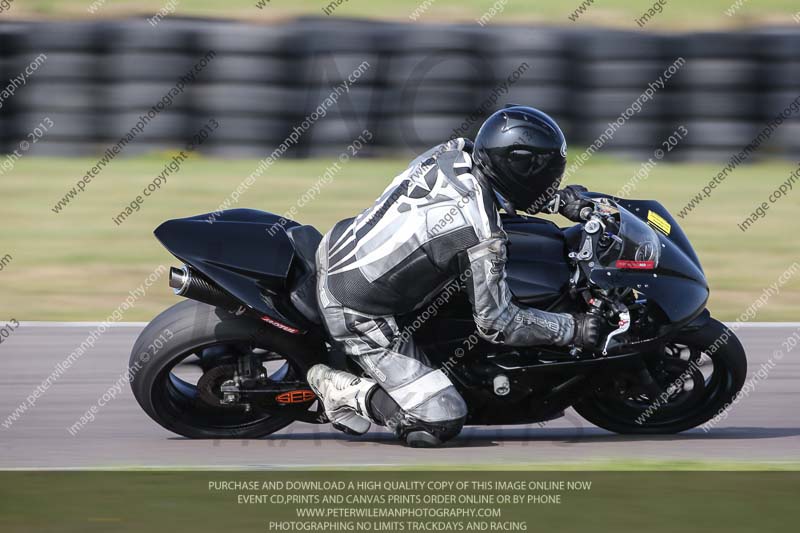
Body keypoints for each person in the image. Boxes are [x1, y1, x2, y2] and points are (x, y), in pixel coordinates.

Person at [307, 105, 602, 447]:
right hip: (355, 309)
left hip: (341, 244)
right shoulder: (479, 233)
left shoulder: (455, 151)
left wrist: (557, 202)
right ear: (519, 169)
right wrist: (572, 328)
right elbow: (498, 323)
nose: (552, 180)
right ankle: (340, 390)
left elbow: (504, 188)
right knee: (440, 418)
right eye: (546, 174)